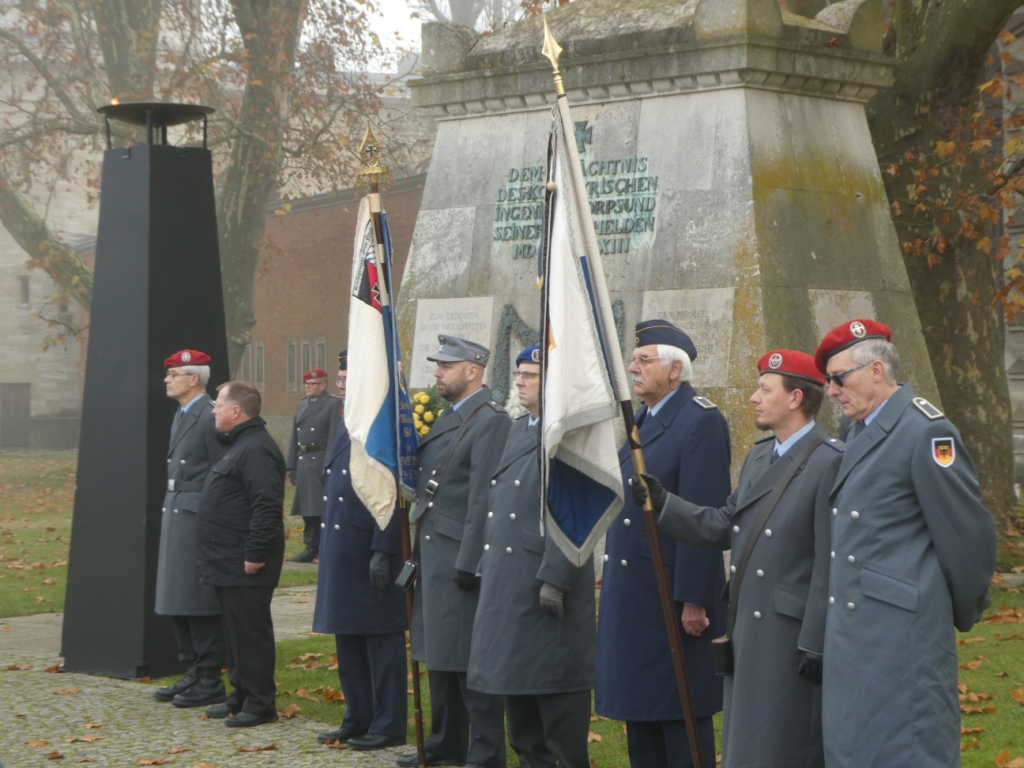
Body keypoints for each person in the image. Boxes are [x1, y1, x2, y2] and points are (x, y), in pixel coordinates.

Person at [633, 349, 842, 768]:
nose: (753, 397)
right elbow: (724, 524)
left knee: (785, 745)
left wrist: (815, 641)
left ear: (796, 398)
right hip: (749, 624)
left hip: (790, 634)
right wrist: (665, 503)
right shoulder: (760, 456)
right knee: (748, 742)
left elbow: (829, 564)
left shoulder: (829, 461)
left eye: (765, 389)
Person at [814, 318, 996, 768]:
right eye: (829, 381)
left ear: (876, 370)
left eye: (839, 379)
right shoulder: (858, 429)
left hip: (902, 633)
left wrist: (952, 609)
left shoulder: (926, 430)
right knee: (857, 748)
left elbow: (967, 536)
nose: (832, 391)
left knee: (906, 749)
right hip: (857, 630)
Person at [595, 320, 729, 768]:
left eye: (644, 360)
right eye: (633, 360)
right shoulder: (644, 418)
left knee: (678, 716)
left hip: (669, 594)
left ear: (675, 370)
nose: (633, 368)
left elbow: (704, 515)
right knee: (642, 713)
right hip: (638, 594)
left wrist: (695, 599)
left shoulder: (700, 421)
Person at [468, 345, 595, 768]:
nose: (519, 382)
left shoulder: (570, 433)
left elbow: (576, 509)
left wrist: (557, 575)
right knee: (522, 719)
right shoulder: (522, 428)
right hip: (511, 585)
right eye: (519, 373)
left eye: (531, 375)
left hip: (544, 586)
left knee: (557, 717)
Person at [398, 335, 511, 768]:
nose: (438, 373)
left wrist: (471, 561)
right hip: (436, 551)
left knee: (467, 661)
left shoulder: (489, 420)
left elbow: (483, 496)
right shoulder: (452, 415)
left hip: (460, 557)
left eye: (446, 366)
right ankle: (445, 742)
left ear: (472, 371)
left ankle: (485, 752)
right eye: (438, 365)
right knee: (441, 655)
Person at [312, 350, 408, 750]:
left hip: (371, 548)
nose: (341, 384)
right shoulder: (347, 421)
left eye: (348, 378)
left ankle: (388, 723)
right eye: (340, 378)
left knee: (381, 642)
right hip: (344, 548)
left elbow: (394, 489)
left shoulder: (384, 423)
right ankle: (358, 716)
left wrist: (385, 548)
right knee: (348, 639)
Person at [197, 381, 287, 728]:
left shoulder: (257, 448)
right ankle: (241, 695)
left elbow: (267, 504)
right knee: (234, 633)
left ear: (236, 411)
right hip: (227, 558)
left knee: (250, 633)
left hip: (245, 559)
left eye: (218, 405)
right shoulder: (239, 444)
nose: (214, 411)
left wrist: (255, 552)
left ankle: (261, 703)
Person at [152, 349, 226, 708]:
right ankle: (193, 669)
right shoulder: (183, 413)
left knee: (198, 596)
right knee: (177, 595)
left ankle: (210, 676)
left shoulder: (210, 415)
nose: (167, 380)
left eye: (174, 374)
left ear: (194, 379)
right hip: (177, 509)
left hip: (197, 515)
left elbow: (222, 470)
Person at [286, 368, 342, 563]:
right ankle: (311, 546)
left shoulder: (333, 404)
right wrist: (291, 464)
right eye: (307, 384)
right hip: (303, 460)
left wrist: (328, 465)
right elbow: (295, 436)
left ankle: (316, 548)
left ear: (323, 385)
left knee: (317, 509)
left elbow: (334, 437)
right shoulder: (302, 404)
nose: (308, 387)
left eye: (312, 384)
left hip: (319, 460)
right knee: (306, 509)